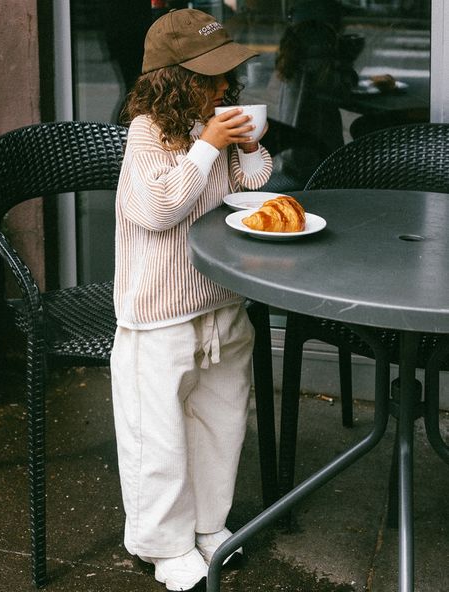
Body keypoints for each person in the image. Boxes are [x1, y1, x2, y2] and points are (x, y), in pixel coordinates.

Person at [110, 8, 272, 591]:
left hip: (220, 302)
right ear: (174, 80)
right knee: (158, 434)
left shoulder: (217, 125)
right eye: (211, 75)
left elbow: (252, 188)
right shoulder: (147, 134)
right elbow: (156, 211)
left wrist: (249, 147)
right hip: (159, 313)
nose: (226, 85)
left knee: (223, 419)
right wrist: (205, 146)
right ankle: (164, 542)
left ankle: (209, 525)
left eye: (227, 73)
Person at [263, 0, 358, 191]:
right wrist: (347, 62)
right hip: (316, 163)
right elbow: (340, 91)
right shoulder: (318, 57)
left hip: (292, 159)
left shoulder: (293, 56)